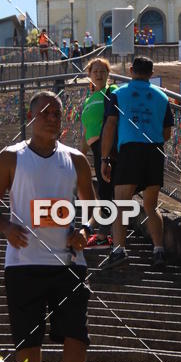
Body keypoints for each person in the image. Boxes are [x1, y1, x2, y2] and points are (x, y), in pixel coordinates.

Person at [0, 91, 94, 362]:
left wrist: (84, 230)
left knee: (76, 334)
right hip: (23, 263)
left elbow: (94, 208)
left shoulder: (76, 160)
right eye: (44, 112)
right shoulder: (11, 157)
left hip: (69, 262)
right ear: (31, 117)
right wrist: (6, 227)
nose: (51, 118)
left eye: (57, 113)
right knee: (28, 340)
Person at [99, 55, 174, 270]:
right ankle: (159, 250)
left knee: (121, 204)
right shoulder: (162, 97)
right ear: (152, 74)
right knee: (151, 205)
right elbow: (167, 132)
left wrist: (105, 158)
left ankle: (119, 251)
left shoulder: (117, 93)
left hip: (130, 150)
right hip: (154, 150)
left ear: (131, 70)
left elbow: (110, 125)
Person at [80, 58, 118, 247]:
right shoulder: (88, 99)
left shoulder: (111, 92)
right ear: (89, 75)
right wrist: (80, 154)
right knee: (103, 191)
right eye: (95, 71)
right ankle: (105, 234)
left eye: (103, 71)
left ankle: (105, 236)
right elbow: (86, 130)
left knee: (106, 191)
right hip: (95, 149)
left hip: (107, 147)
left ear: (108, 74)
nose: (99, 74)